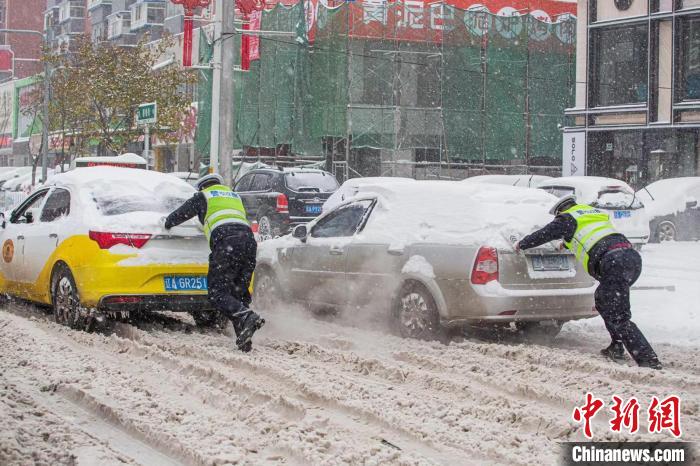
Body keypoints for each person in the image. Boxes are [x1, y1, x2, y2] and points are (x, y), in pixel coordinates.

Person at [515, 195, 662, 370]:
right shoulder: (592, 213)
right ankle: (616, 346)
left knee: (618, 315)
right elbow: (593, 236)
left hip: (613, 261)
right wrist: (566, 244)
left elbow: (544, 234)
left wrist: (521, 244)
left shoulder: (567, 218)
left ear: (560, 211)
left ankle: (648, 359)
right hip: (629, 258)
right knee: (603, 300)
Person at [163, 173, 264, 352]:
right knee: (238, 293)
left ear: (202, 187)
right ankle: (244, 339)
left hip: (227, 242)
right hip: (249, 242)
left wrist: (166, 223)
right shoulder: (234, 196)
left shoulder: (204, 196)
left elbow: (177, 216)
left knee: (217, 293)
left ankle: (246, 315)